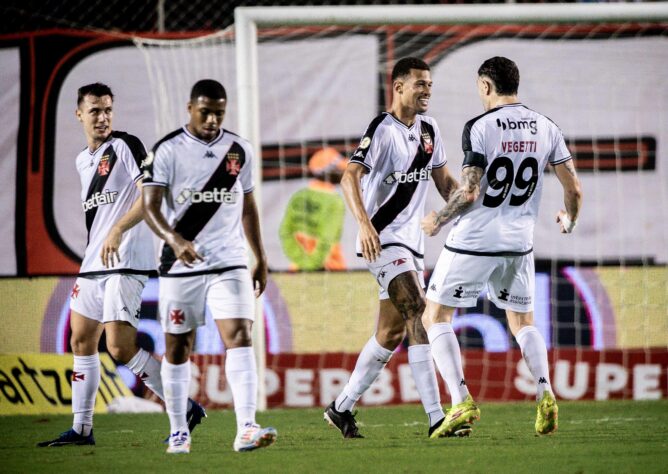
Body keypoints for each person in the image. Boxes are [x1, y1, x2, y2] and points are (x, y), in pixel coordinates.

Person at [420, 56, 582, 437]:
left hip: (475, 240)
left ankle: (461, 400)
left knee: (435, 317)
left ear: (485, 86)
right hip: (519, 243)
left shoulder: (480, 126)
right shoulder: (547, 126)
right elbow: (573, 188)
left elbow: (471, 190)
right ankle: (545, 391)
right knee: (523, 322)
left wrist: (438, 219)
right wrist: (570, 220)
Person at [38, 83, 206, 447]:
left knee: (118, 346)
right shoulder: (83, 160)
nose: (103, 117)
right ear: (79, 114)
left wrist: (117, 229)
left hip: (126, 258)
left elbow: (149, 197)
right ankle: (82, 429)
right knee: (81, 340)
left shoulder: (125, 145)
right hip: (94, 261)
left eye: (108, 110)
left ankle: (185, 406)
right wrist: (103, 237)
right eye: (95, 110)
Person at [324, 57, 461, 439]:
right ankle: (437, 417)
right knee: (418, 309)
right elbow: (348, 177)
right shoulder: (382, 130)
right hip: (382, 239)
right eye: (419, 84)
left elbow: (445, 183)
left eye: (430, 85)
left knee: (391, 332)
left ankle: (341, 407)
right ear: (398, 87)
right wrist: (365, 226)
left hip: (413, 244)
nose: (427, 91)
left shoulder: (430, 130)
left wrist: (465, 202)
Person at [142, 79, 277, 454]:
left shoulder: (239, 150)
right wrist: (174, 239)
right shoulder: (167, 150)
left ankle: (246, 427)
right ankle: (178, 431)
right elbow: (150, 206)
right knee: (178, 347)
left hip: (229, 261)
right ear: (190, 108)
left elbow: (247, 205)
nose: (213, 119)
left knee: (240, 336)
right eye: (206, 112)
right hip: (179, 265)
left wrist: (260, 257)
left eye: (219, 112)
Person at [279, 147, 347, 271]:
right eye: (339, 169)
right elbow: (327, 238)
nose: (343, 172)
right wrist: (313, 265)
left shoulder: (298, 196)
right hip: (330, 268)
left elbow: (285, 232)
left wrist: (302, 262)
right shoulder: (334, 202)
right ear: (329, 172)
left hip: (297, 268)